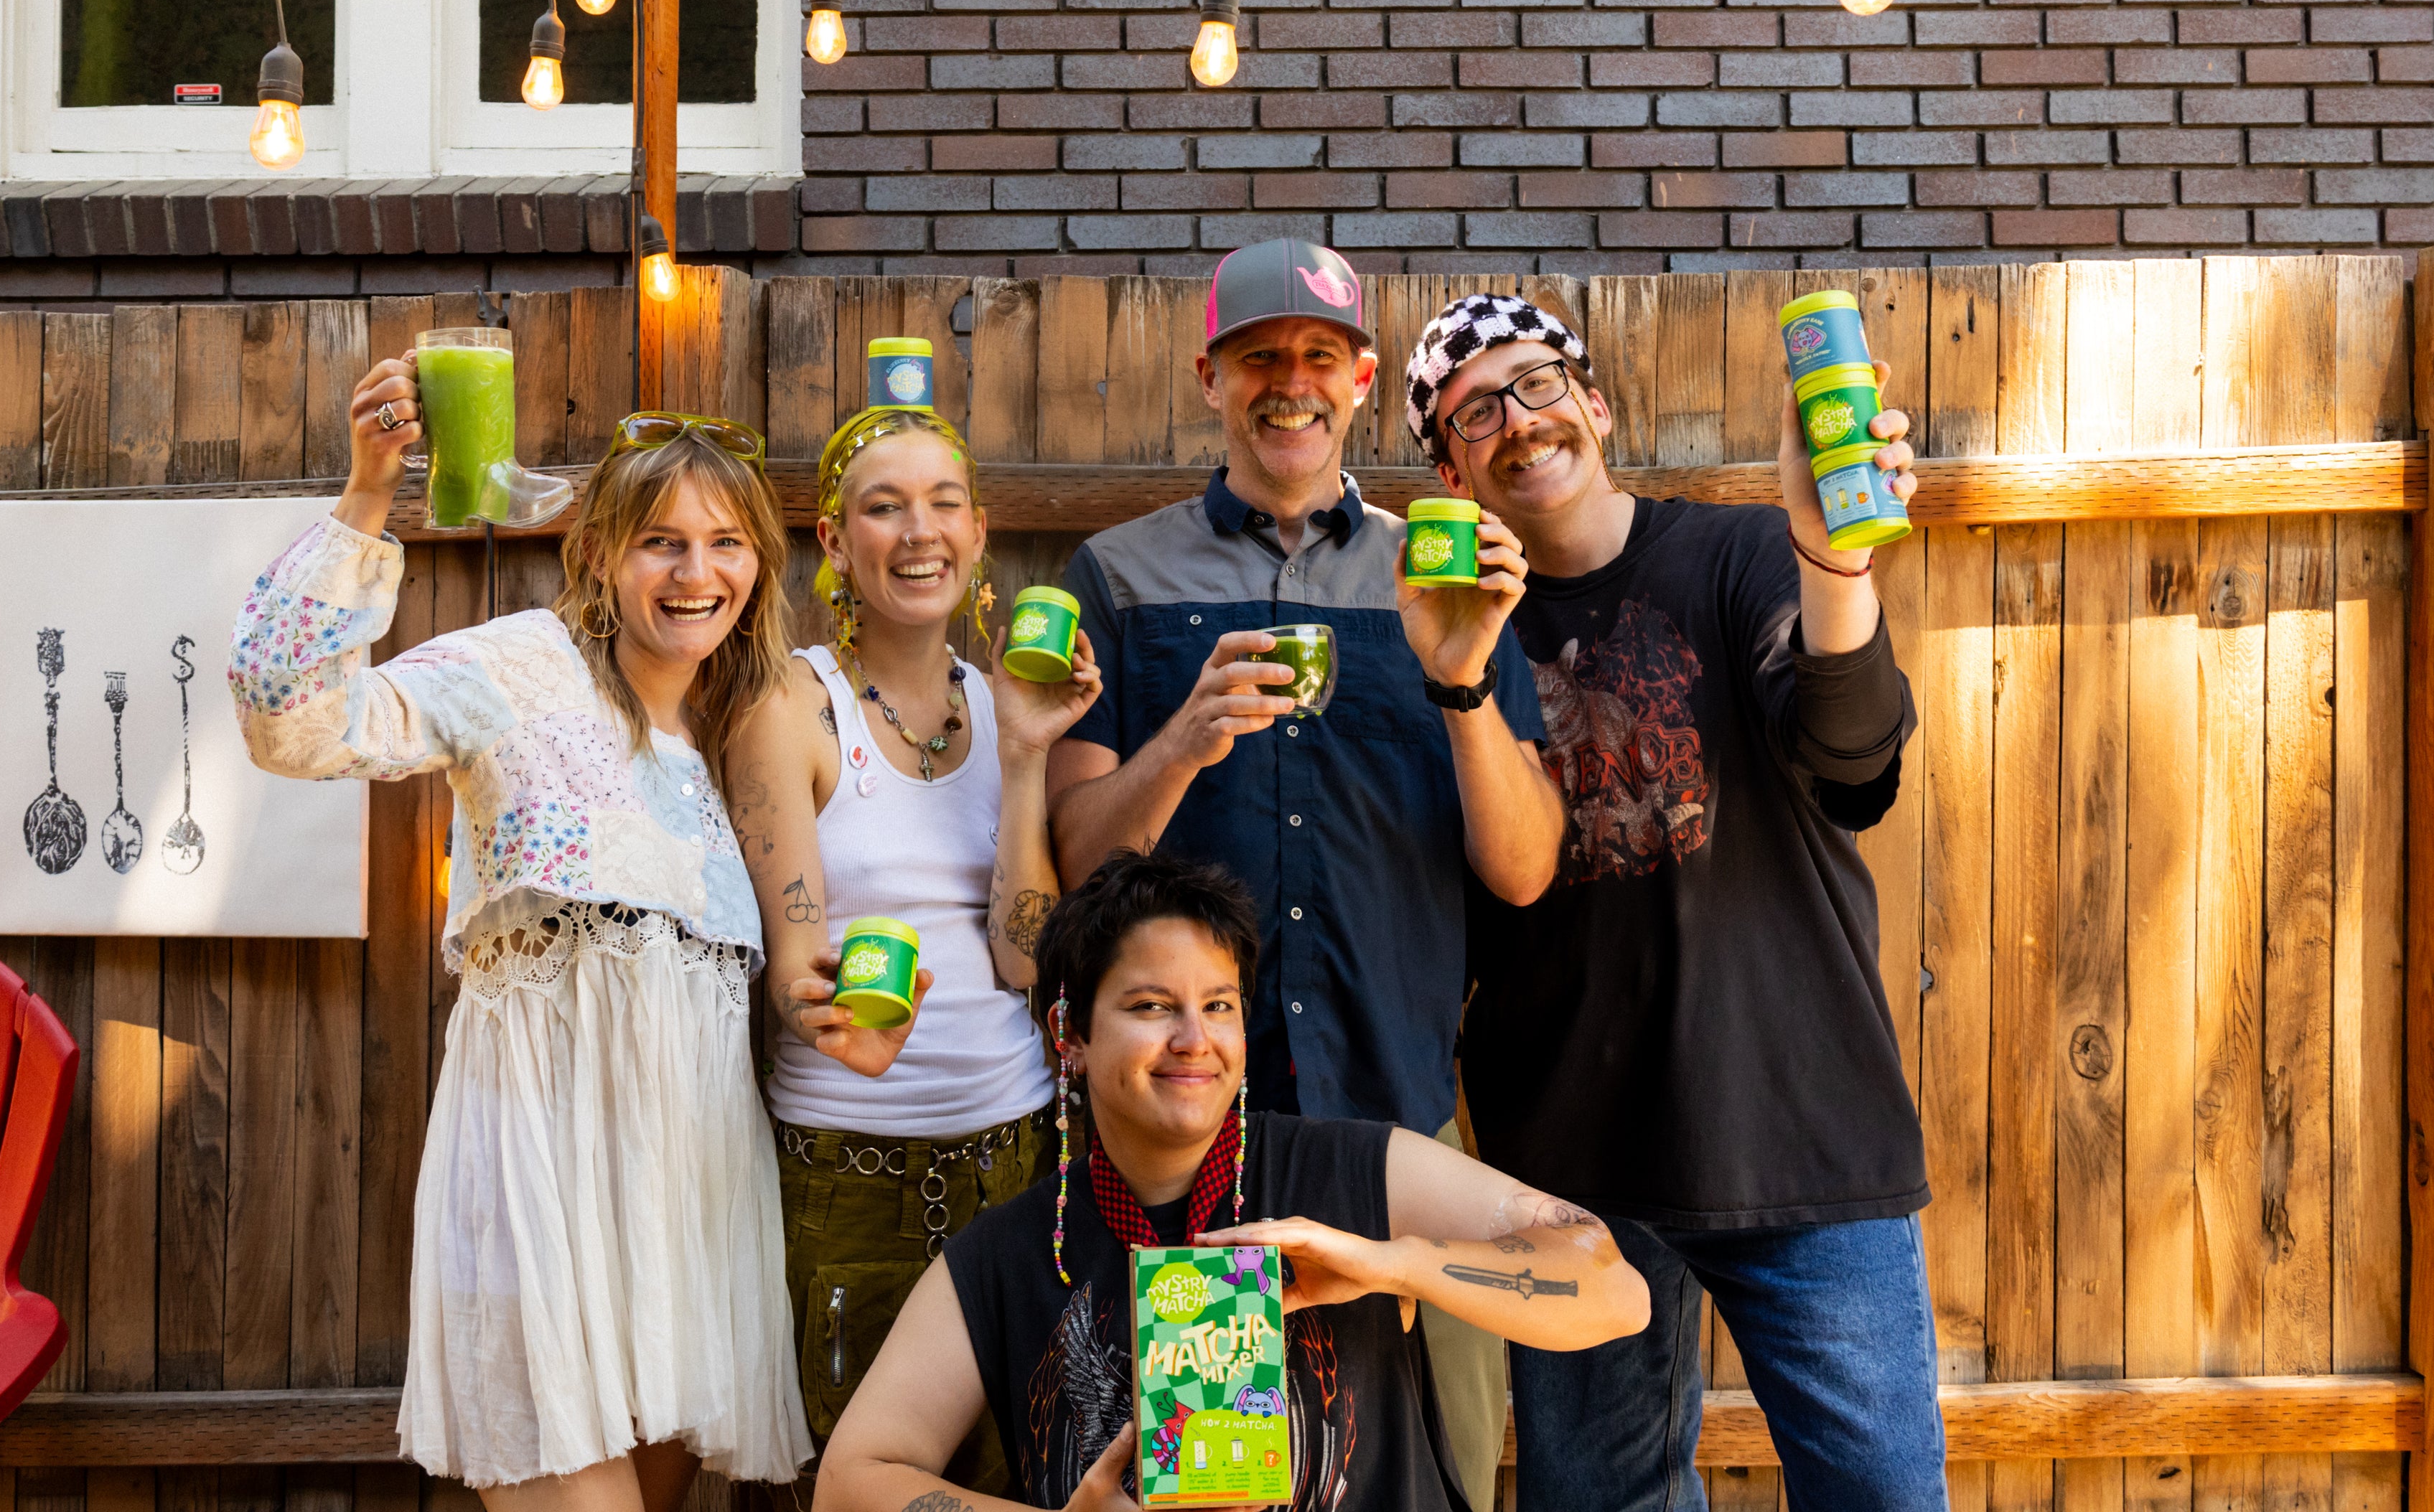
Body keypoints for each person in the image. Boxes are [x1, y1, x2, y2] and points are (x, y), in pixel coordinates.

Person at [230, 365, 813, 1511]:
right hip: (541, 1202)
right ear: (597, 554)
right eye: (660, 541)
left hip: (685, 1223)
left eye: (726, 542)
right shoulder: (518, 668)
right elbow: (287, 717)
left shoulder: (731, 736)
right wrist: (367, 495)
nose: (698, 573)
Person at [1042, 238, 1563, 1506]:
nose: (1291, 383)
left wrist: (1464, 671)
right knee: (1214, 1483)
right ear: (1208, 378)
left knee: (1437, 1477)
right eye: (1259, 357)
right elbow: (1074, 865)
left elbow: (1525, 870)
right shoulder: (1117, 579)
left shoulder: (1439, 573)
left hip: (1400, 1135)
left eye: (1319, 357)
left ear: (1363, 380)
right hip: (1199, 1145)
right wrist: (1184, 738)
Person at [1403, 291, 1940, 1512]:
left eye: (1539, 384)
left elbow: (1854, 768)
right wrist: (1461, 681)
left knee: (1886, 1500)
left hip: (1800, 1129)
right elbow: (1498, 875)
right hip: (1573, 1161)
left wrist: (1833, 555)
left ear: (1595, 404)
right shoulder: (1443, 628)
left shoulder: (1743, 555)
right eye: (1474, 412)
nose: (1518, 420)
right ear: (1449, 470)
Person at [810, 850, 1652, 1512]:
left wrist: (1390, 1264)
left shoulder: (1353, 1171)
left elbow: (1615, 1288)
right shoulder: (1012, 1251)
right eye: (1149, 1006)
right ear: (1069, 1032)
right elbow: (851, 1480)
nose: (1193, 1038)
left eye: (1219, 1005)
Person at [723, 403, 1105, 1485]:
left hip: (1021, 1161)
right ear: (837, 544)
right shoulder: (790, 702)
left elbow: (1027, 960)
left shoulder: (1000, 701)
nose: (918, 531)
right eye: (882, 509)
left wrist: (1029, 755)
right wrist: (824, 1012)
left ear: (981, 534)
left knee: (1024, 1472)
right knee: (857, 1476)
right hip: (851, 1171)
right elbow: (793, 959)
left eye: (944, 504)